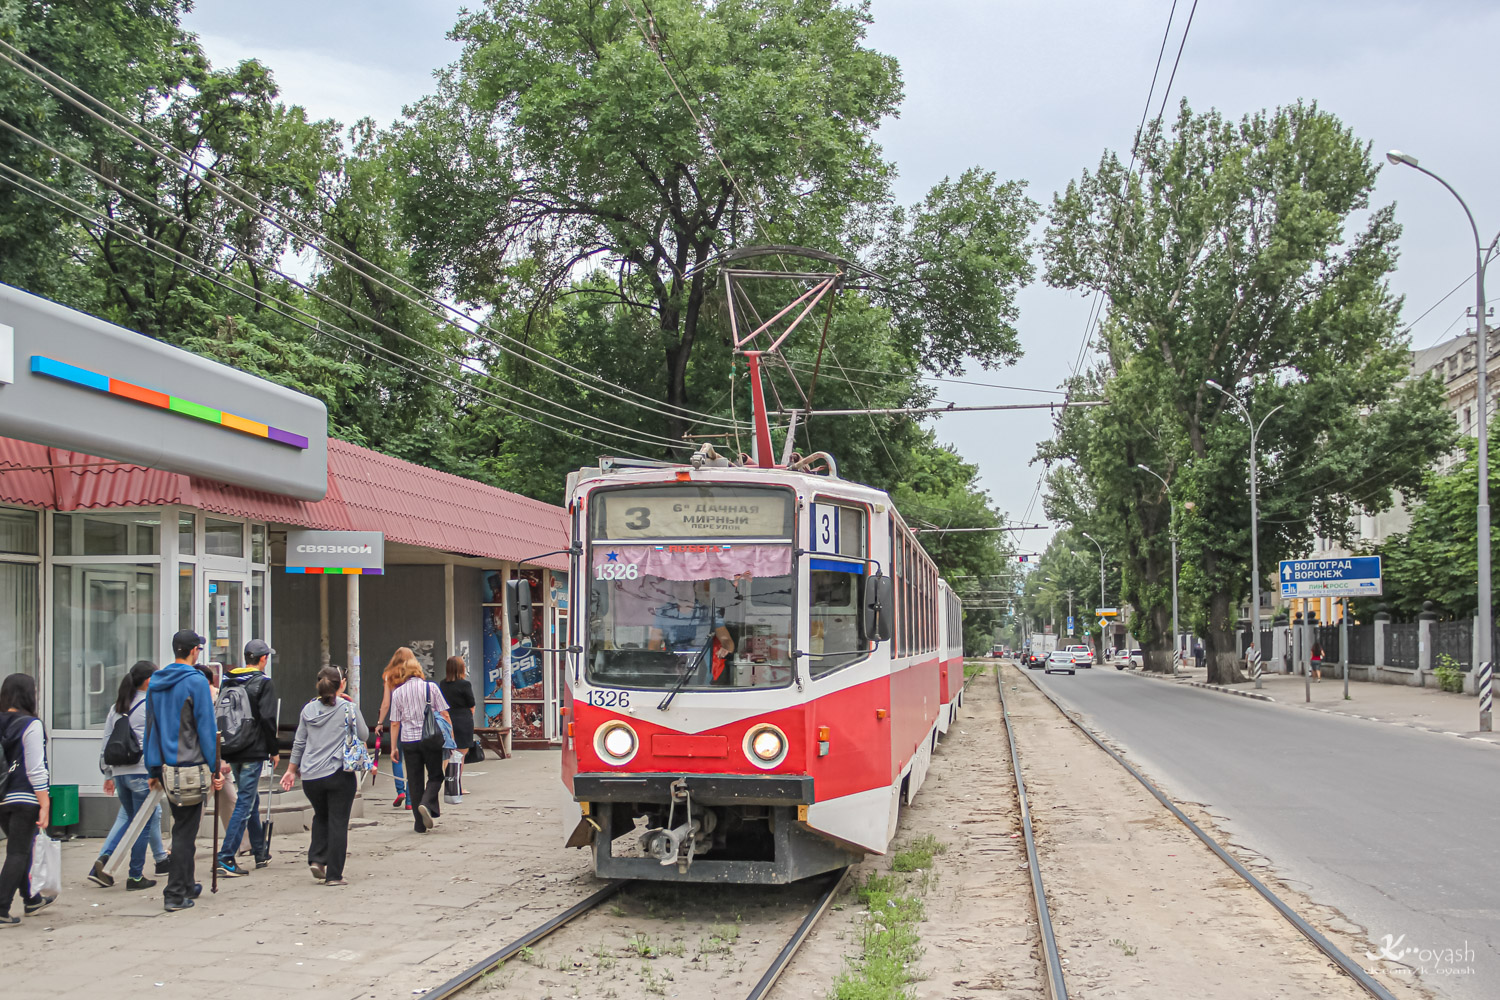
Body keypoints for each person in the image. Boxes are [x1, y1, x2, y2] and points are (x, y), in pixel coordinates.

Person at [144, 630, 223, 913]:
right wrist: (215, 767)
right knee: (185, 832)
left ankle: (188, 884)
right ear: (194, 651)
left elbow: (150, 728)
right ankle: (175, 892)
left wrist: (152, 767)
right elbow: (205, 727)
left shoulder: (156, 682)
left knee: (182, 824)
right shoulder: (195, 682)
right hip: (191, 765)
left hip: (166, 766)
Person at [281, 666, 367, 886]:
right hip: (338, 773)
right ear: (341, 684)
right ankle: (334, 875)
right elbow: (364, 734)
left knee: (321, 815)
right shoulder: (348, 707)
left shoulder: (308, 710)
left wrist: (291, 770)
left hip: (310, 776)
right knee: (338, 822)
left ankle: (317, 859)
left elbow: (299, 742)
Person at [91, 660, 166, 892]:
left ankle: (103, 861)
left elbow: (107, 742)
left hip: (121, 774)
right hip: (143, 772)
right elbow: (159, 739)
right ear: (148, 681)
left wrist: (108, 773)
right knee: (142, 825)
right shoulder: (150, 705)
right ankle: (135, 876)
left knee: (130, 820)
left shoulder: (117, 707)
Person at [214, 639, 279, 878]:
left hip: (232, 748)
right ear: (263, 659)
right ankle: (226, 857)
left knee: (250, 799)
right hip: (253, 749)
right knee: (244, 802)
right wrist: (273, 750)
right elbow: (268, 719)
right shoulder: (263, 683)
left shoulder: (228, 680)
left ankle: (260, 851)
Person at [0, 673, 50, 926]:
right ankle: (1, 907)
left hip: (2, 798)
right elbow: (35, 768)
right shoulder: (30, 724)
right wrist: (45, 802)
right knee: (18, 852)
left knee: (21, 849)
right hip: (24, 796)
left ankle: (31, 897)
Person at [387, 649, 452, 832]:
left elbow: (394, 722)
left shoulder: (398, 693)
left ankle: (419, 823)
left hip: (409, 741)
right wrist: (451, 738)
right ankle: (426, 803)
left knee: (414, 780)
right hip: (430, 738)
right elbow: (444, 713)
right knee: (436, 775)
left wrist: (393, 747)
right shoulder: (430, 688)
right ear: (419, 671)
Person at [439, 656, 476, 790]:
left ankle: (449, 781)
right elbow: (472, 704)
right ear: (461, 668)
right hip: (463, 720)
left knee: (449, 752)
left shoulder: (442, 684)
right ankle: (456, 785)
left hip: (447, 720)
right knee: (460, 755)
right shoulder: (465, 684)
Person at [377, 660, 409, 810]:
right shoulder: (413, 677)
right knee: (412, 761)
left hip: (397, 722)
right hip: (412, 723)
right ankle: (410, 800)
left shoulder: (389, 677)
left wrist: (380, 722)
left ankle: (400, 791)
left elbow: (386, 703)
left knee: (396, 757)